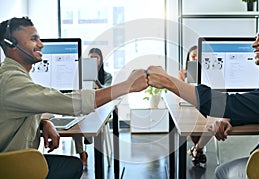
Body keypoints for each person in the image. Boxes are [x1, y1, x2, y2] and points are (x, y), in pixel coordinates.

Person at [147, 16, 259, 178]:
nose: (254, 44)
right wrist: (230, 118)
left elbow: (231, 104)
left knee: (223, 171)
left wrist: (169, 82)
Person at [0, 17, 148, 179]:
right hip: (11, 167)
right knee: (72, 166)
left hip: (15, 161)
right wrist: (127, 86)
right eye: (33, 39)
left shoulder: (14, 77)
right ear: (11, 45)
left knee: (72, 165)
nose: (41, 44)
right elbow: (71, 104)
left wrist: (43, 122)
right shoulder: (12, 81)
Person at [73, 47, 113, 167]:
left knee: (88, 119)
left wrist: (95, 81)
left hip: (101, 110)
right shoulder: (81, 75)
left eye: (96, 58)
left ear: (101, 59)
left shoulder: (107, 76)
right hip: (85, 109)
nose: (94, 61)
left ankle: (88, 136)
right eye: (91, 58)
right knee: (75, 122)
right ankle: (81, 152)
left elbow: (108, 92)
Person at [178, 45, 206, 167]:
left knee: (199, 121)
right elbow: (180, 91)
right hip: (189, 104)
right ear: (188, 58)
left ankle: (196, 150)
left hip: (205, 103)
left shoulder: (208, 71)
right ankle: (198, 150)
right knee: (190, 122)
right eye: (193, 56)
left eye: (198, 56)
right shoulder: (182, 73)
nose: (195, 58)